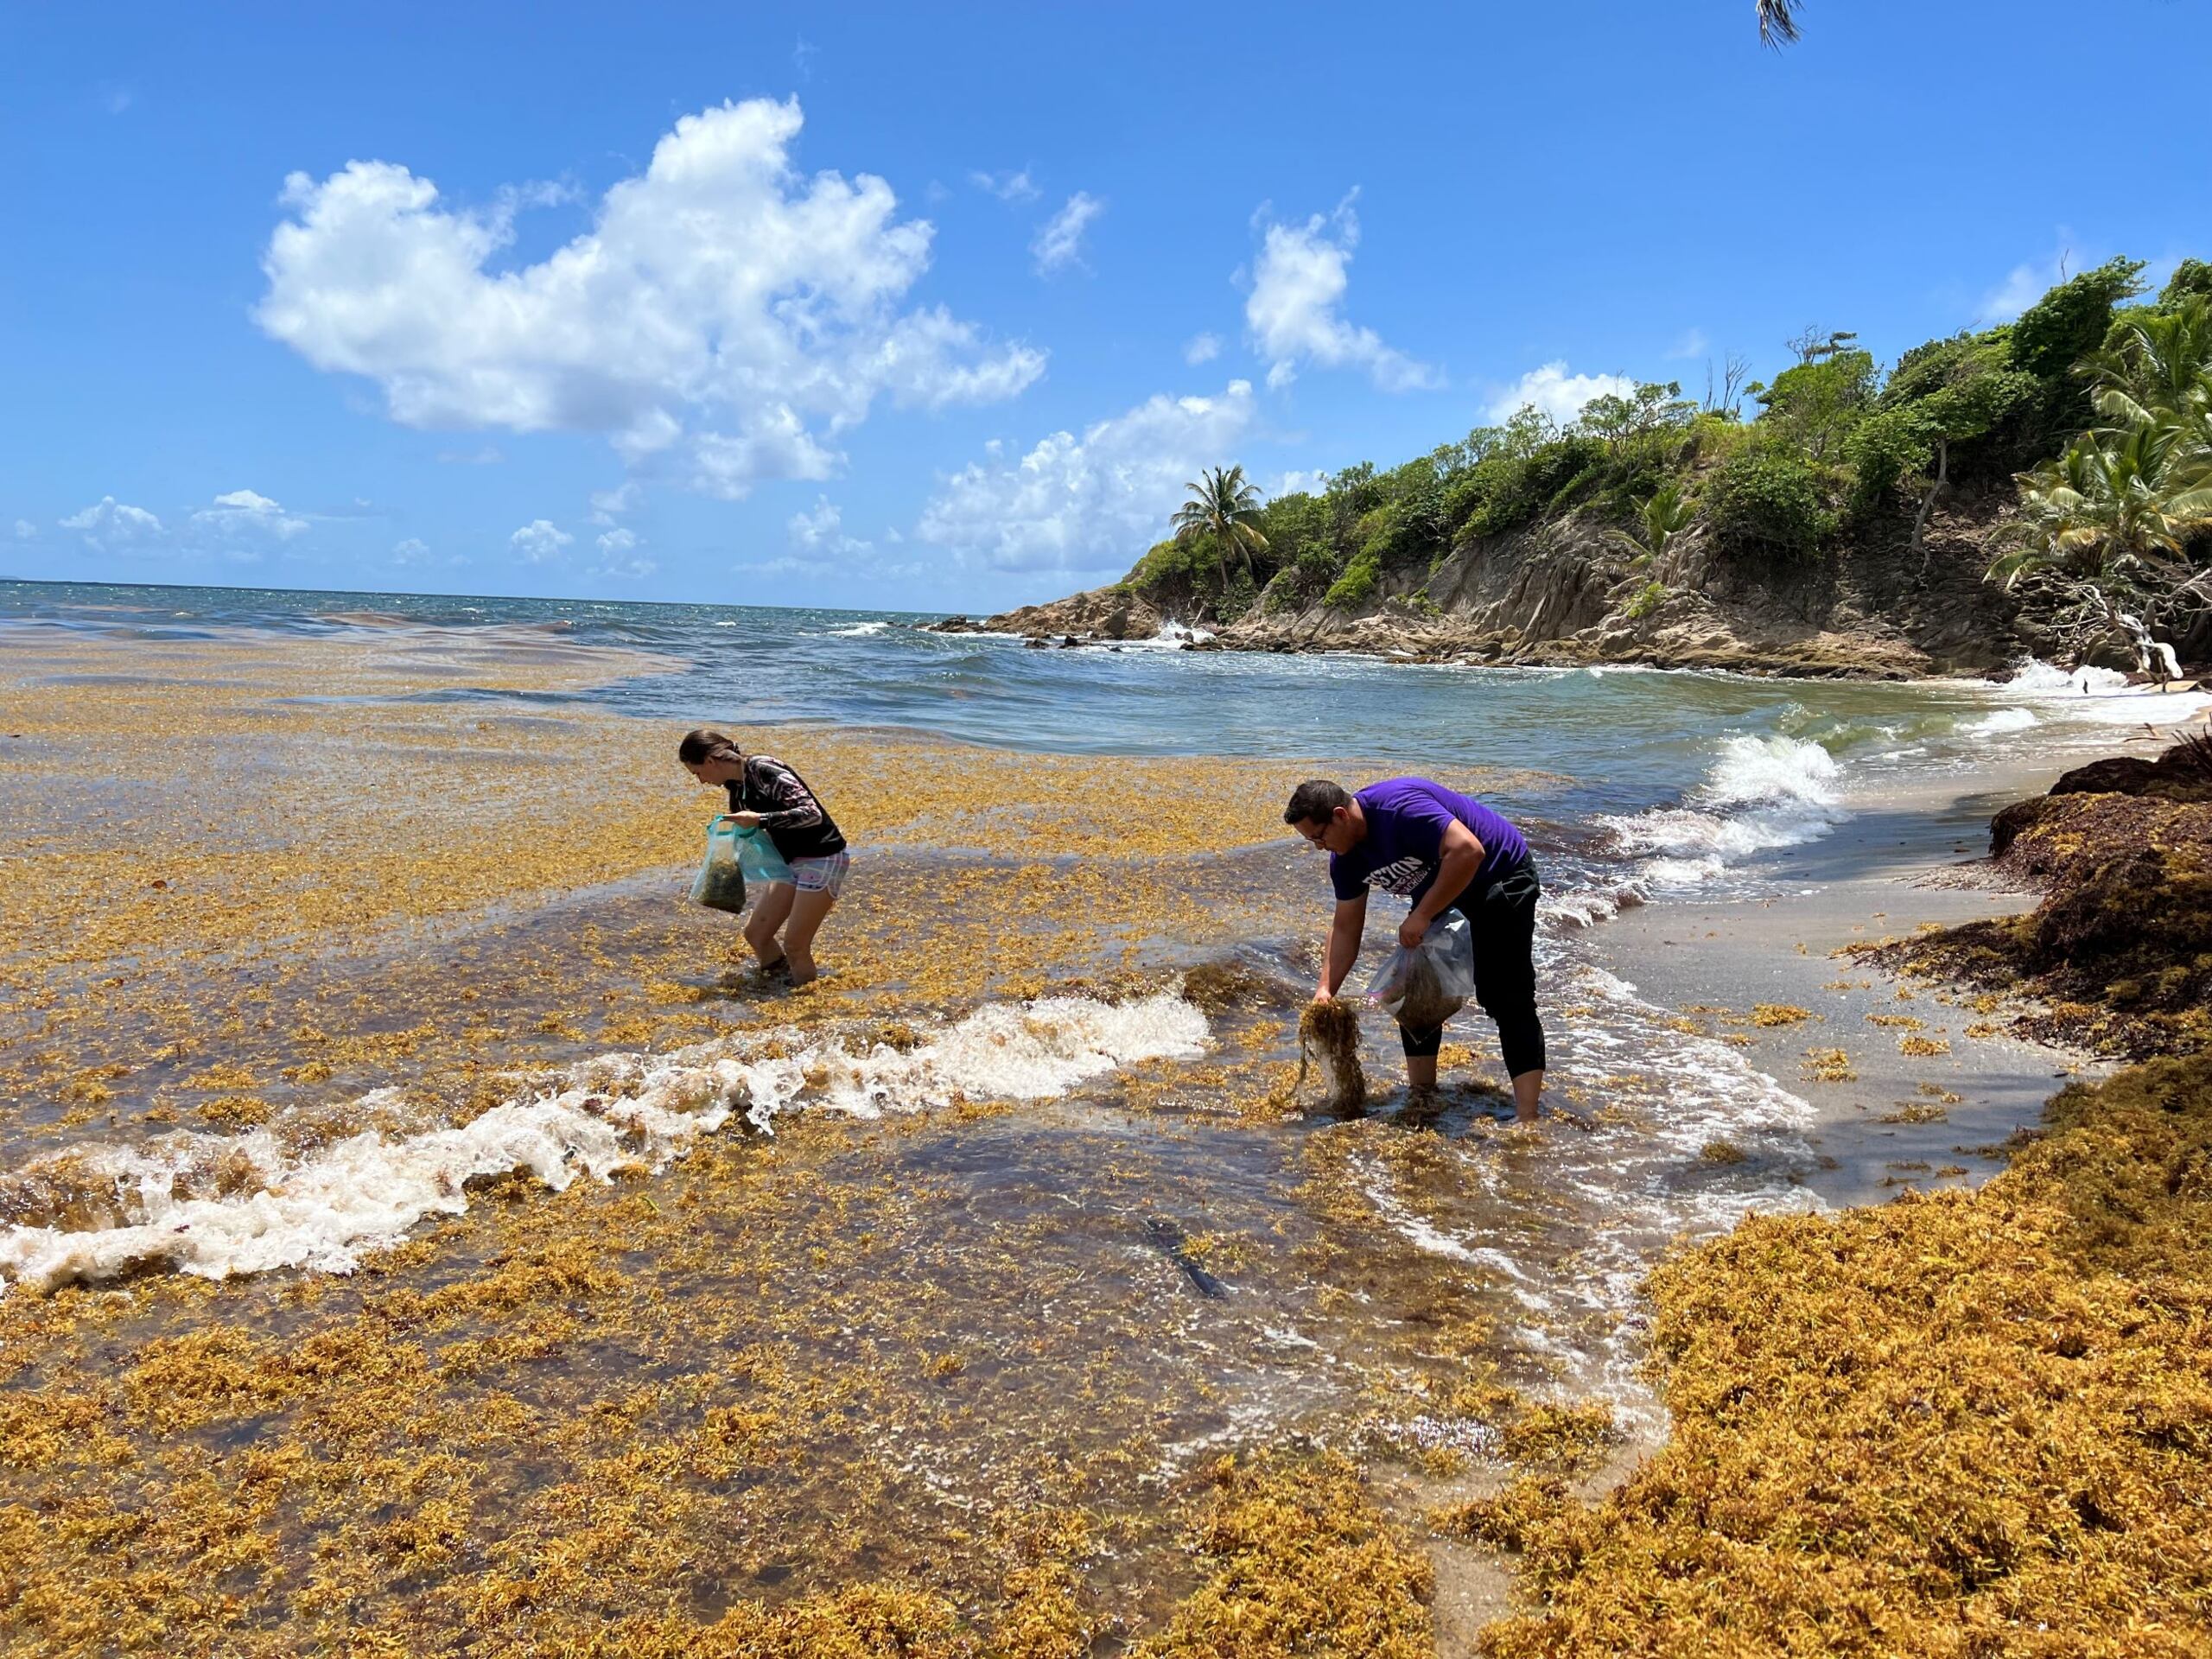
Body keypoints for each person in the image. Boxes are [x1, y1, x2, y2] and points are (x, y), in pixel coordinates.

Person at [1284, 777, 1545, 1122]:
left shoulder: (1398, 809)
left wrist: (1421, 915)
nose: (1319, 847)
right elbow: (1346, 927)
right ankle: (1423, 1097)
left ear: (1340, 816)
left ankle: (1527, 1117)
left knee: (1504, 995)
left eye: (1319, 836)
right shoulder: (1345, 859)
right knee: (1413, 989)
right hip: (1443, 885)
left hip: (1499, 874)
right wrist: (1325, 989)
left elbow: (1469, 850)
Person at [678, 729, 849, 986]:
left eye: (697, 773)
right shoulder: (737, 789)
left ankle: (809, 1007)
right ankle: (778, 988)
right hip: (789, 862)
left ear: (710, 761)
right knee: (757, 934)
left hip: (821, 857)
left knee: (795, 946)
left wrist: (761, 819)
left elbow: (811, 813)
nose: (701, 781)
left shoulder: (763, 768)